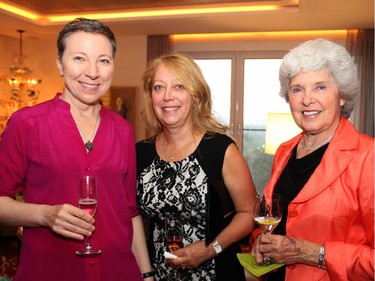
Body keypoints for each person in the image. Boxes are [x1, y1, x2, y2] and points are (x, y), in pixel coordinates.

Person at [0, 18, 154, 281]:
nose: (93, 72)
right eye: (79, 58)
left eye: (104, 60)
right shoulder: (27, 123)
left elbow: (130, 211)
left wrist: (147, 274)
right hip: (49, 271)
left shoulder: (123, 130)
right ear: (60, 63)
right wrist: (45, 215)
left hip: (117, 272)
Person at [248, 38, 374, 281]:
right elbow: (274, 221)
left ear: (342, 96)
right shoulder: (285, 151)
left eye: (320, 87)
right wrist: (259, 241)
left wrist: (311, 253)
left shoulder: (368, 158)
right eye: (297, 89)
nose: (307, 99)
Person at [136, 52, 257, 281]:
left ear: (196, 96)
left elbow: (248, 214)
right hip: (160, 275)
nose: (167, 96)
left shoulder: (221, 149)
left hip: (217, 272)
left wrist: (210, 249)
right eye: (159, 87)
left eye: (178, 86)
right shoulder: (140, 153)